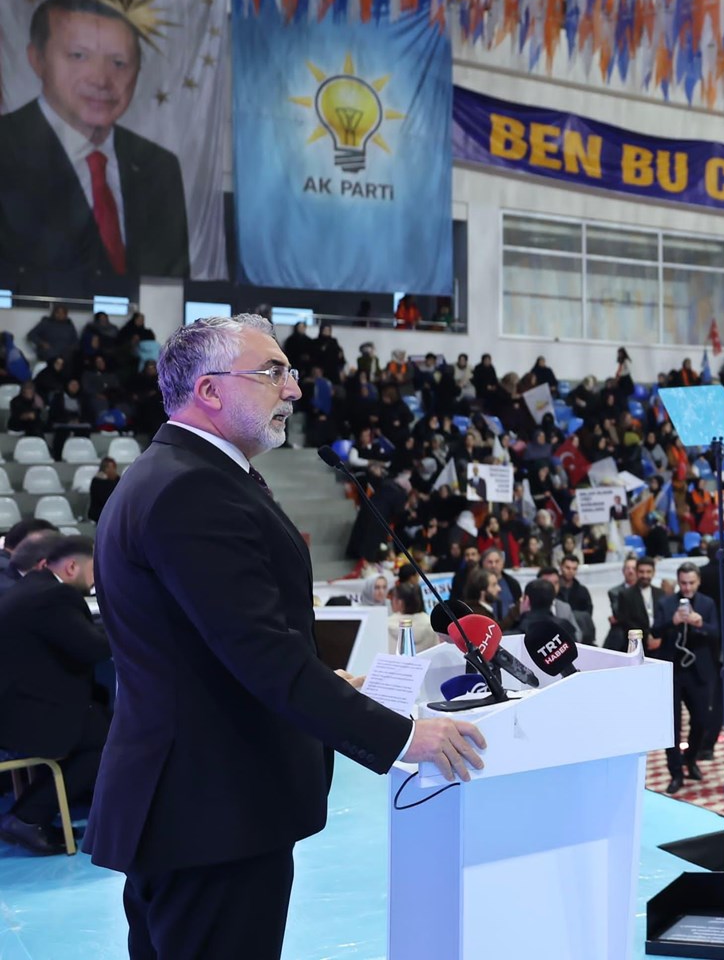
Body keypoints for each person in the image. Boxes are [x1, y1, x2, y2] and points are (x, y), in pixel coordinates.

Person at [89, 315, 483, 958]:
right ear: (209, 391)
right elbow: (260, 652)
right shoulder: (192, 489)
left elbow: (216, 642)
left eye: (291, 372)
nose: (294, 390)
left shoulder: (182, 474)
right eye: (273, 372)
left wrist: (327, 679)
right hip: (212, 812)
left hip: (199, 807)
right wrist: (408, 735)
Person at [0, 0, 191, 293]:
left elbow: (169, 284)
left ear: (138, 72)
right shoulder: (7, 147)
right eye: (78, 55)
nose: (102, 79)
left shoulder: (158, 166)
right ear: (37, 59)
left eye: (119, 63)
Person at [0, 535, 109, 855]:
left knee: (102, 721)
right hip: (26, 713)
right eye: (93, 571)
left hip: (18, 703)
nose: (95, 580)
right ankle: (28, 817)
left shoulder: (32, 588)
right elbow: (92, 648)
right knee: (108, 740)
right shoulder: (55, 596)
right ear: (73, 566)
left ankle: (34, 812)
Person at [650, 563, 718, 793]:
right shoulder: (666, 603)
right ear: (678, 582)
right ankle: (676, 771)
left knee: (701, 720)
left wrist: (700, 624)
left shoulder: (708, 603)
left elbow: (717, 632)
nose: (687, 588)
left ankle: (690, 758)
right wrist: (674, 621)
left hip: (698, 669)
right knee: (672, 726)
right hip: (673, 669)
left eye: (691, 583)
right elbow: (655, 631)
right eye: (683, 583)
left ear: (698, 582)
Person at [604, 555, 660, 651]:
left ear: (654, 573)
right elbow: (626, 620)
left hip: (658, 641)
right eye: (642, 572)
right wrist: (647, 637)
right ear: (637, 572)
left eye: (648, 572)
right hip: (636, 641)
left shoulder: (660, 593)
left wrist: (658, 638)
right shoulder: (625, 594)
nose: (645, 575)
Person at [86, 456, 121, 521]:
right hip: (99, 512)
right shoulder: (97, 481)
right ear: (106, 469)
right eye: (113, 468)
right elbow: (105, 498)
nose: (115, 470)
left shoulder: (117, 480)